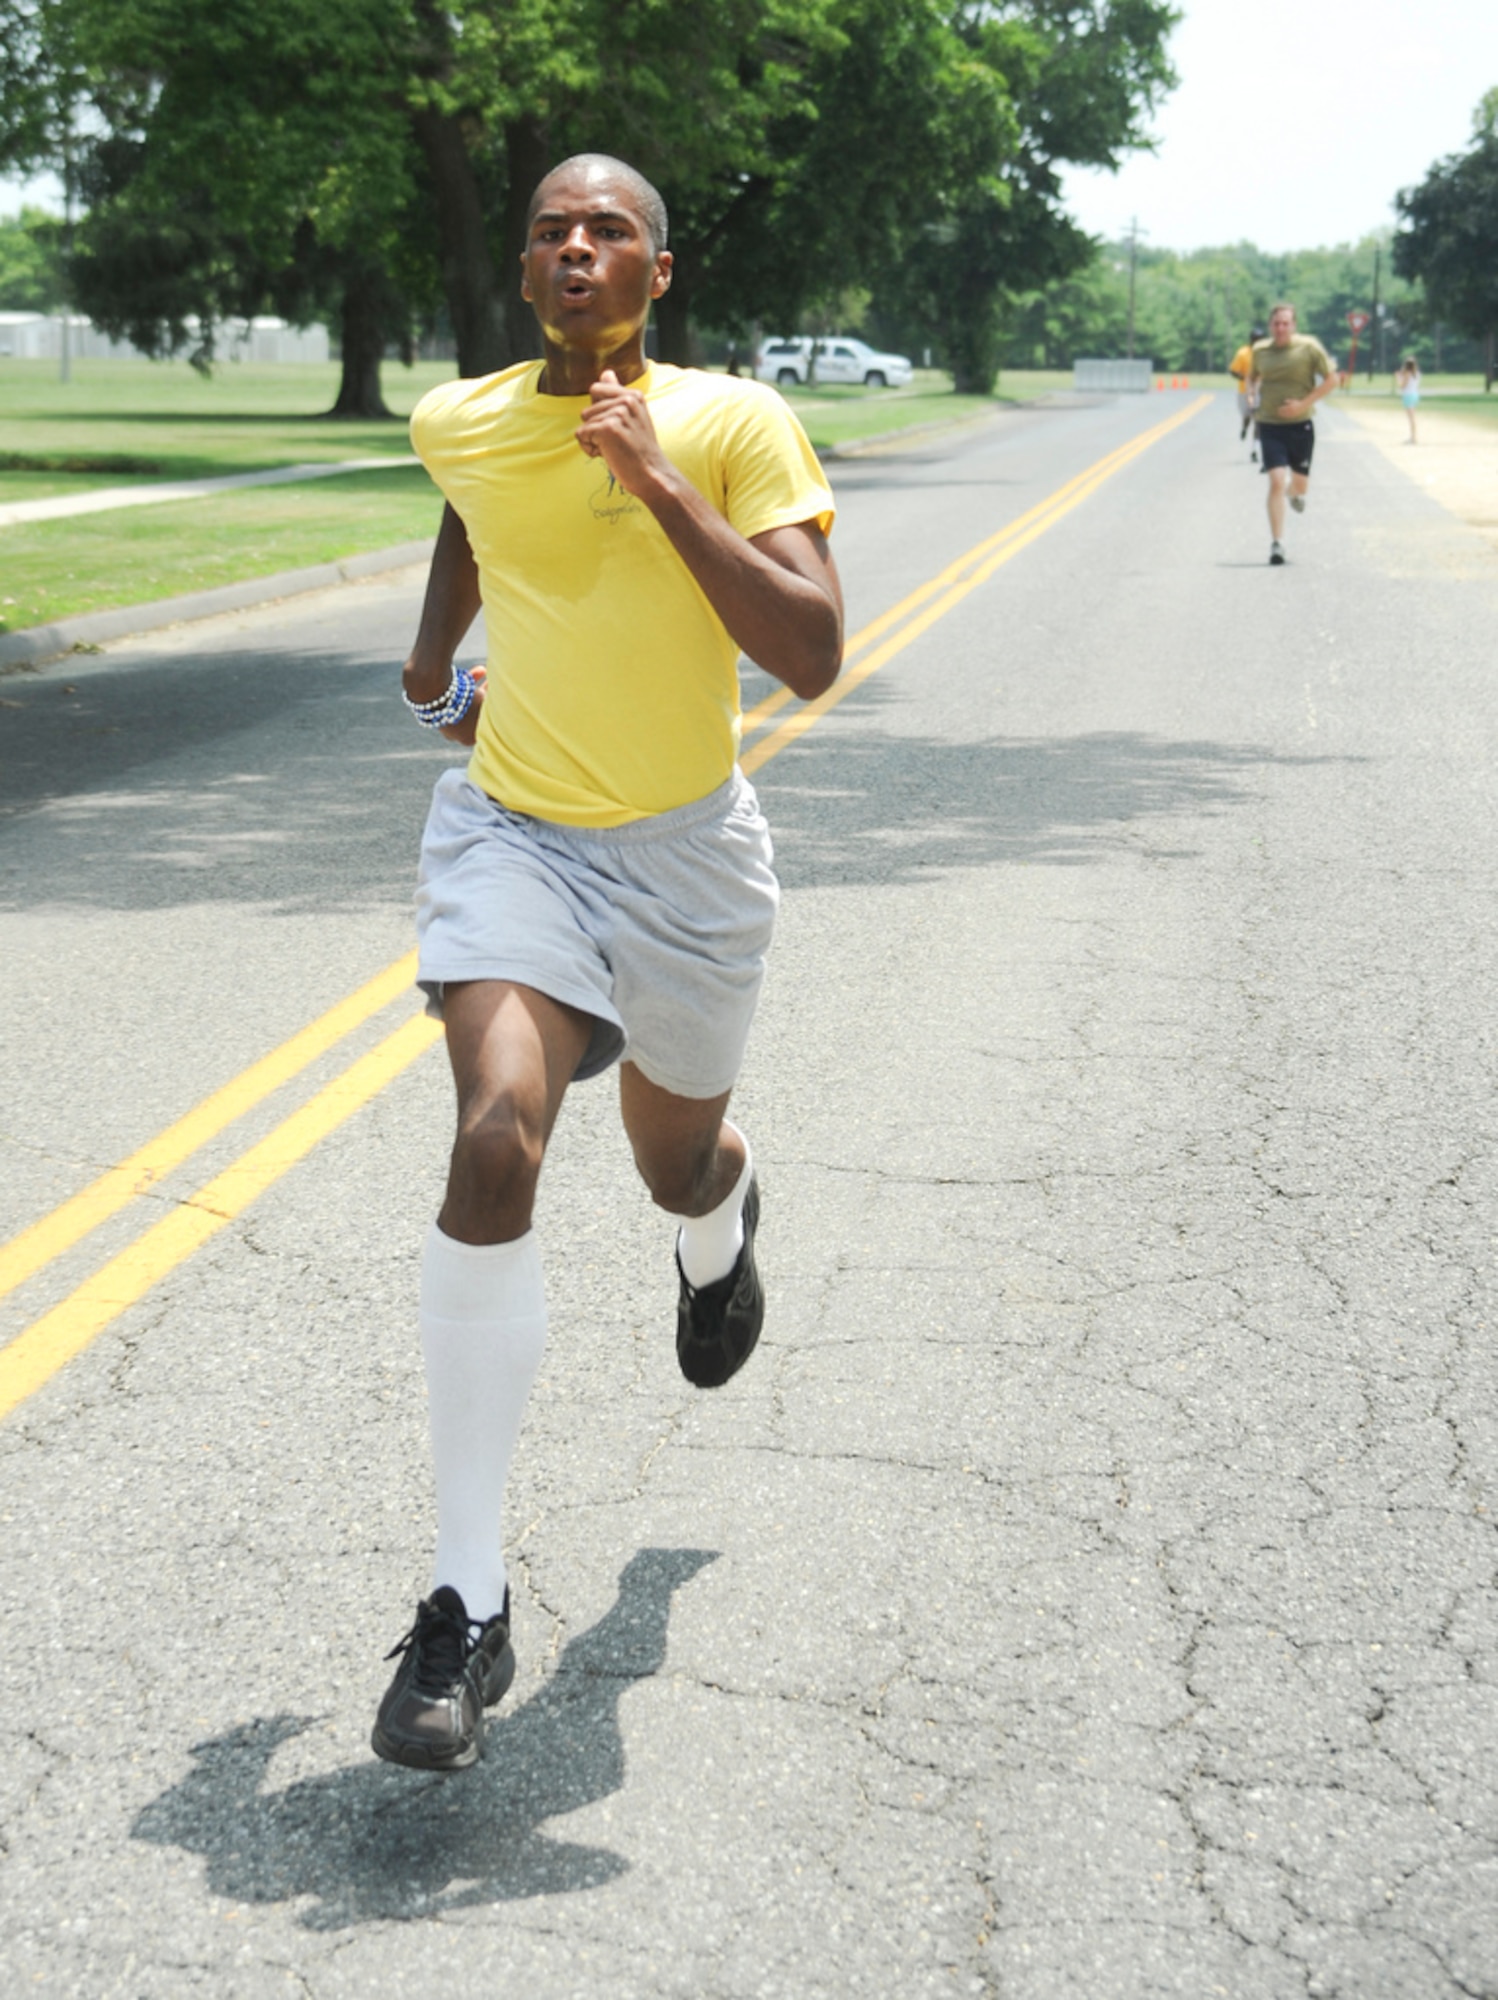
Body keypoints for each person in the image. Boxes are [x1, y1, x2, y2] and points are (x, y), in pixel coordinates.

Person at [370, 154, 843, 1773]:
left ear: (657, 271)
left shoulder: (729, 423)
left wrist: (657, 483)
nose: (577, 248)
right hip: (515, 836)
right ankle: (464, 1605)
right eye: (551, 233)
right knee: (494, 1134)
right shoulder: (462, 416)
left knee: (668, 1158)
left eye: (608, 232)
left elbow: (810, 650)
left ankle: (722, 1215)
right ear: (526, 273)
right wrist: (437, 661)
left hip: (688, 858)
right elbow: (475, 502)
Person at [1251, 303, 1339, 566]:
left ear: (1294, 325)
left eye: (1285, 324)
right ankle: (1277, 543)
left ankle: (1295, 494)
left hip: (1300, 425)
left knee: (1298, 486)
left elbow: (1332, 380)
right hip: (1269, 425)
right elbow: (1252, 376)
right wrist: (1251, 393)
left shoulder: (1309, 348)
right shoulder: (1260, 351)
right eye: (1276, 324)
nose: (1280, 328)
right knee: (1276, 481)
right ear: (1270, 326)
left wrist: (1302, 405)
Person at [1228, 326, 1264, 457]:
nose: (1258, 343)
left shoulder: (1266, 354)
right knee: (1247, 416)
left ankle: (1255, 449)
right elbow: (1232, 370)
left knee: (1259, 420)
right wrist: (1244, 378)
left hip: (1260, 391)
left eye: (1260, 340)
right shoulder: (1243, 353)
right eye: (1256, 340)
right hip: (1245, 391)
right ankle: (1244, 427)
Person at [1395, 354, 1421, 443]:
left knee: (1411, 418)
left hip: (1408, 396)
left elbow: (1402, 386)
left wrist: (1398, 378)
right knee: (1412, 417)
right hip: (1415, 395)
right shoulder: (1417, 373)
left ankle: (1413, 438)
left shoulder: (1407, 373)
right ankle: (1413, 437)